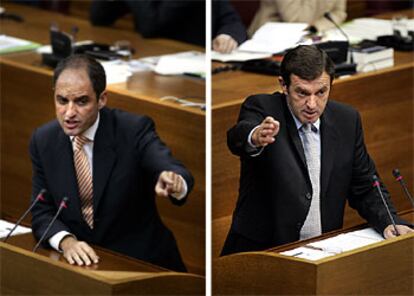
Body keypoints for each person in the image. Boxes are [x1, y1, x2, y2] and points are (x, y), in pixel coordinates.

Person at [221, 45, 413, 255]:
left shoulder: (346, 120)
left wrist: (389, 221)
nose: (312, 104)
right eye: (302, 93)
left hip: (320, 252)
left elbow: (366, 185)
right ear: (284, 85)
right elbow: (237, 137)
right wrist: (255, 135)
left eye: (321, 92)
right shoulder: (263, 108)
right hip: (264, 252)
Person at [30, 54, 193, 272]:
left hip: (143, 263)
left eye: (81, 101)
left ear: (102, 99)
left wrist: (174, 180)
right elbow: (41, 211)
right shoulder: (43, 140)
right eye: (62, 100)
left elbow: (167, 164)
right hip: (85, 267)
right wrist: (67, 242)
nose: (69, 113)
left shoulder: (133, 129)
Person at [90, 0, 247, 53]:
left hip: (193, 62)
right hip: (149, 55)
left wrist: (227, 35)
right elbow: (98, 17)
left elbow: (151, 25)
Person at [248, 0, 347, 37]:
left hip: (307, 37)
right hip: (268, 40)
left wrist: (316, 26)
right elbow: (298, 20)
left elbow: (339, 13)